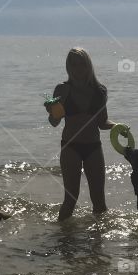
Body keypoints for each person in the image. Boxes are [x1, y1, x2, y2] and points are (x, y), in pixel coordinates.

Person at [45, 47, 112, 220]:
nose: (78, 69)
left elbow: (102, 122)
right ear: (68, 67)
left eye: (81, 64)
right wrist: (52, 111)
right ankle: (63, 239)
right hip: (70, 147)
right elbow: (54, 123)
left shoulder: (100, 91)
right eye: (73, 65)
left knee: (99, 202)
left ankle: (98, 244)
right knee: (70, 199)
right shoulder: (62, 89)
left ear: (88, 65)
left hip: (93, 147)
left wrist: (119, 126)